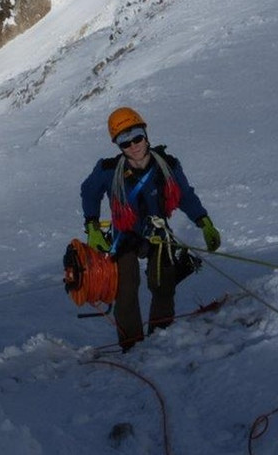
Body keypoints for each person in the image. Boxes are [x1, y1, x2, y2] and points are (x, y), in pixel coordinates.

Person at [80, 107, 221, 352]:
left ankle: (160, 338)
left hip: (157, 232)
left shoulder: (167, 165)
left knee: (163, 285)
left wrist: (203, 220)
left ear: (145, 134)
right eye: (124, 141)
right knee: (125, 291)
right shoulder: (109, 170)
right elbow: (89, 191)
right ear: (118, 146)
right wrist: (92, 225)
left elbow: (185, 195)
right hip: (124, 235)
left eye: (136, 136)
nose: (133, 145)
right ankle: (131, 346)